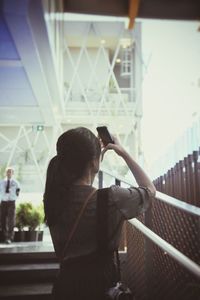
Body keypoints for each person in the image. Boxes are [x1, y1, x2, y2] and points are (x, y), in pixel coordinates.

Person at [43, 127, 156, 300]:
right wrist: (123, 153)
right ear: (94, 162)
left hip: (65, 285)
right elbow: (149, 190)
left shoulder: (53, 198)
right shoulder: (111, 198)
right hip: (98, 287)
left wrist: (94, 157)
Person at [0, 167, 20, 244]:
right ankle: (4, 237)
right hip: (3, 202)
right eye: (7, 172)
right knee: (2, 220)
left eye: (10, 172)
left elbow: (18, 192)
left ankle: (9, 238)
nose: (9, 173)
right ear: (6, 173)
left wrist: (13, 196)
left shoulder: (16, 183)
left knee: (11, 220)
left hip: (11, 202)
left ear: (12, 173)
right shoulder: (1, 182)